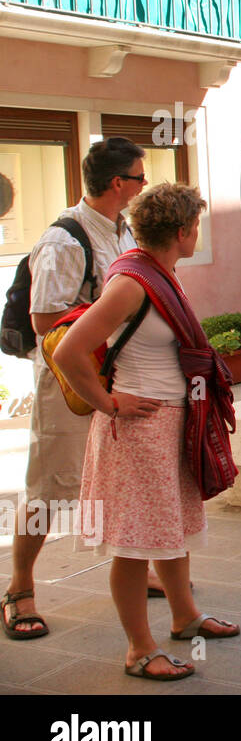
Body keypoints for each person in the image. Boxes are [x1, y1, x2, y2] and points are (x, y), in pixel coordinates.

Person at [52, 183, 239, 680]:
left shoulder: (160, 273)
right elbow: (68, 352)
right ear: (182, 232)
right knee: (134, 545)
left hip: (170, 425)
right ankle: (139, 649)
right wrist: (110, 403)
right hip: (138, 432)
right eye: (196, 225)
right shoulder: (132, 284)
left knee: (171, 531)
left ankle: (185, 617)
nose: (198, 233)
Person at [3, 138, 177, 641]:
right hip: (69, 384)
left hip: (112, 378)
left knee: (122, 479)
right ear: (118, 183)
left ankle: (135, 569)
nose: (146, 185)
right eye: (141, 178)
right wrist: (108, 312)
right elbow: (42, 320)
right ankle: (19, 588)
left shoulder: (123, 231)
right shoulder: (64, 240)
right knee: (50, 488)